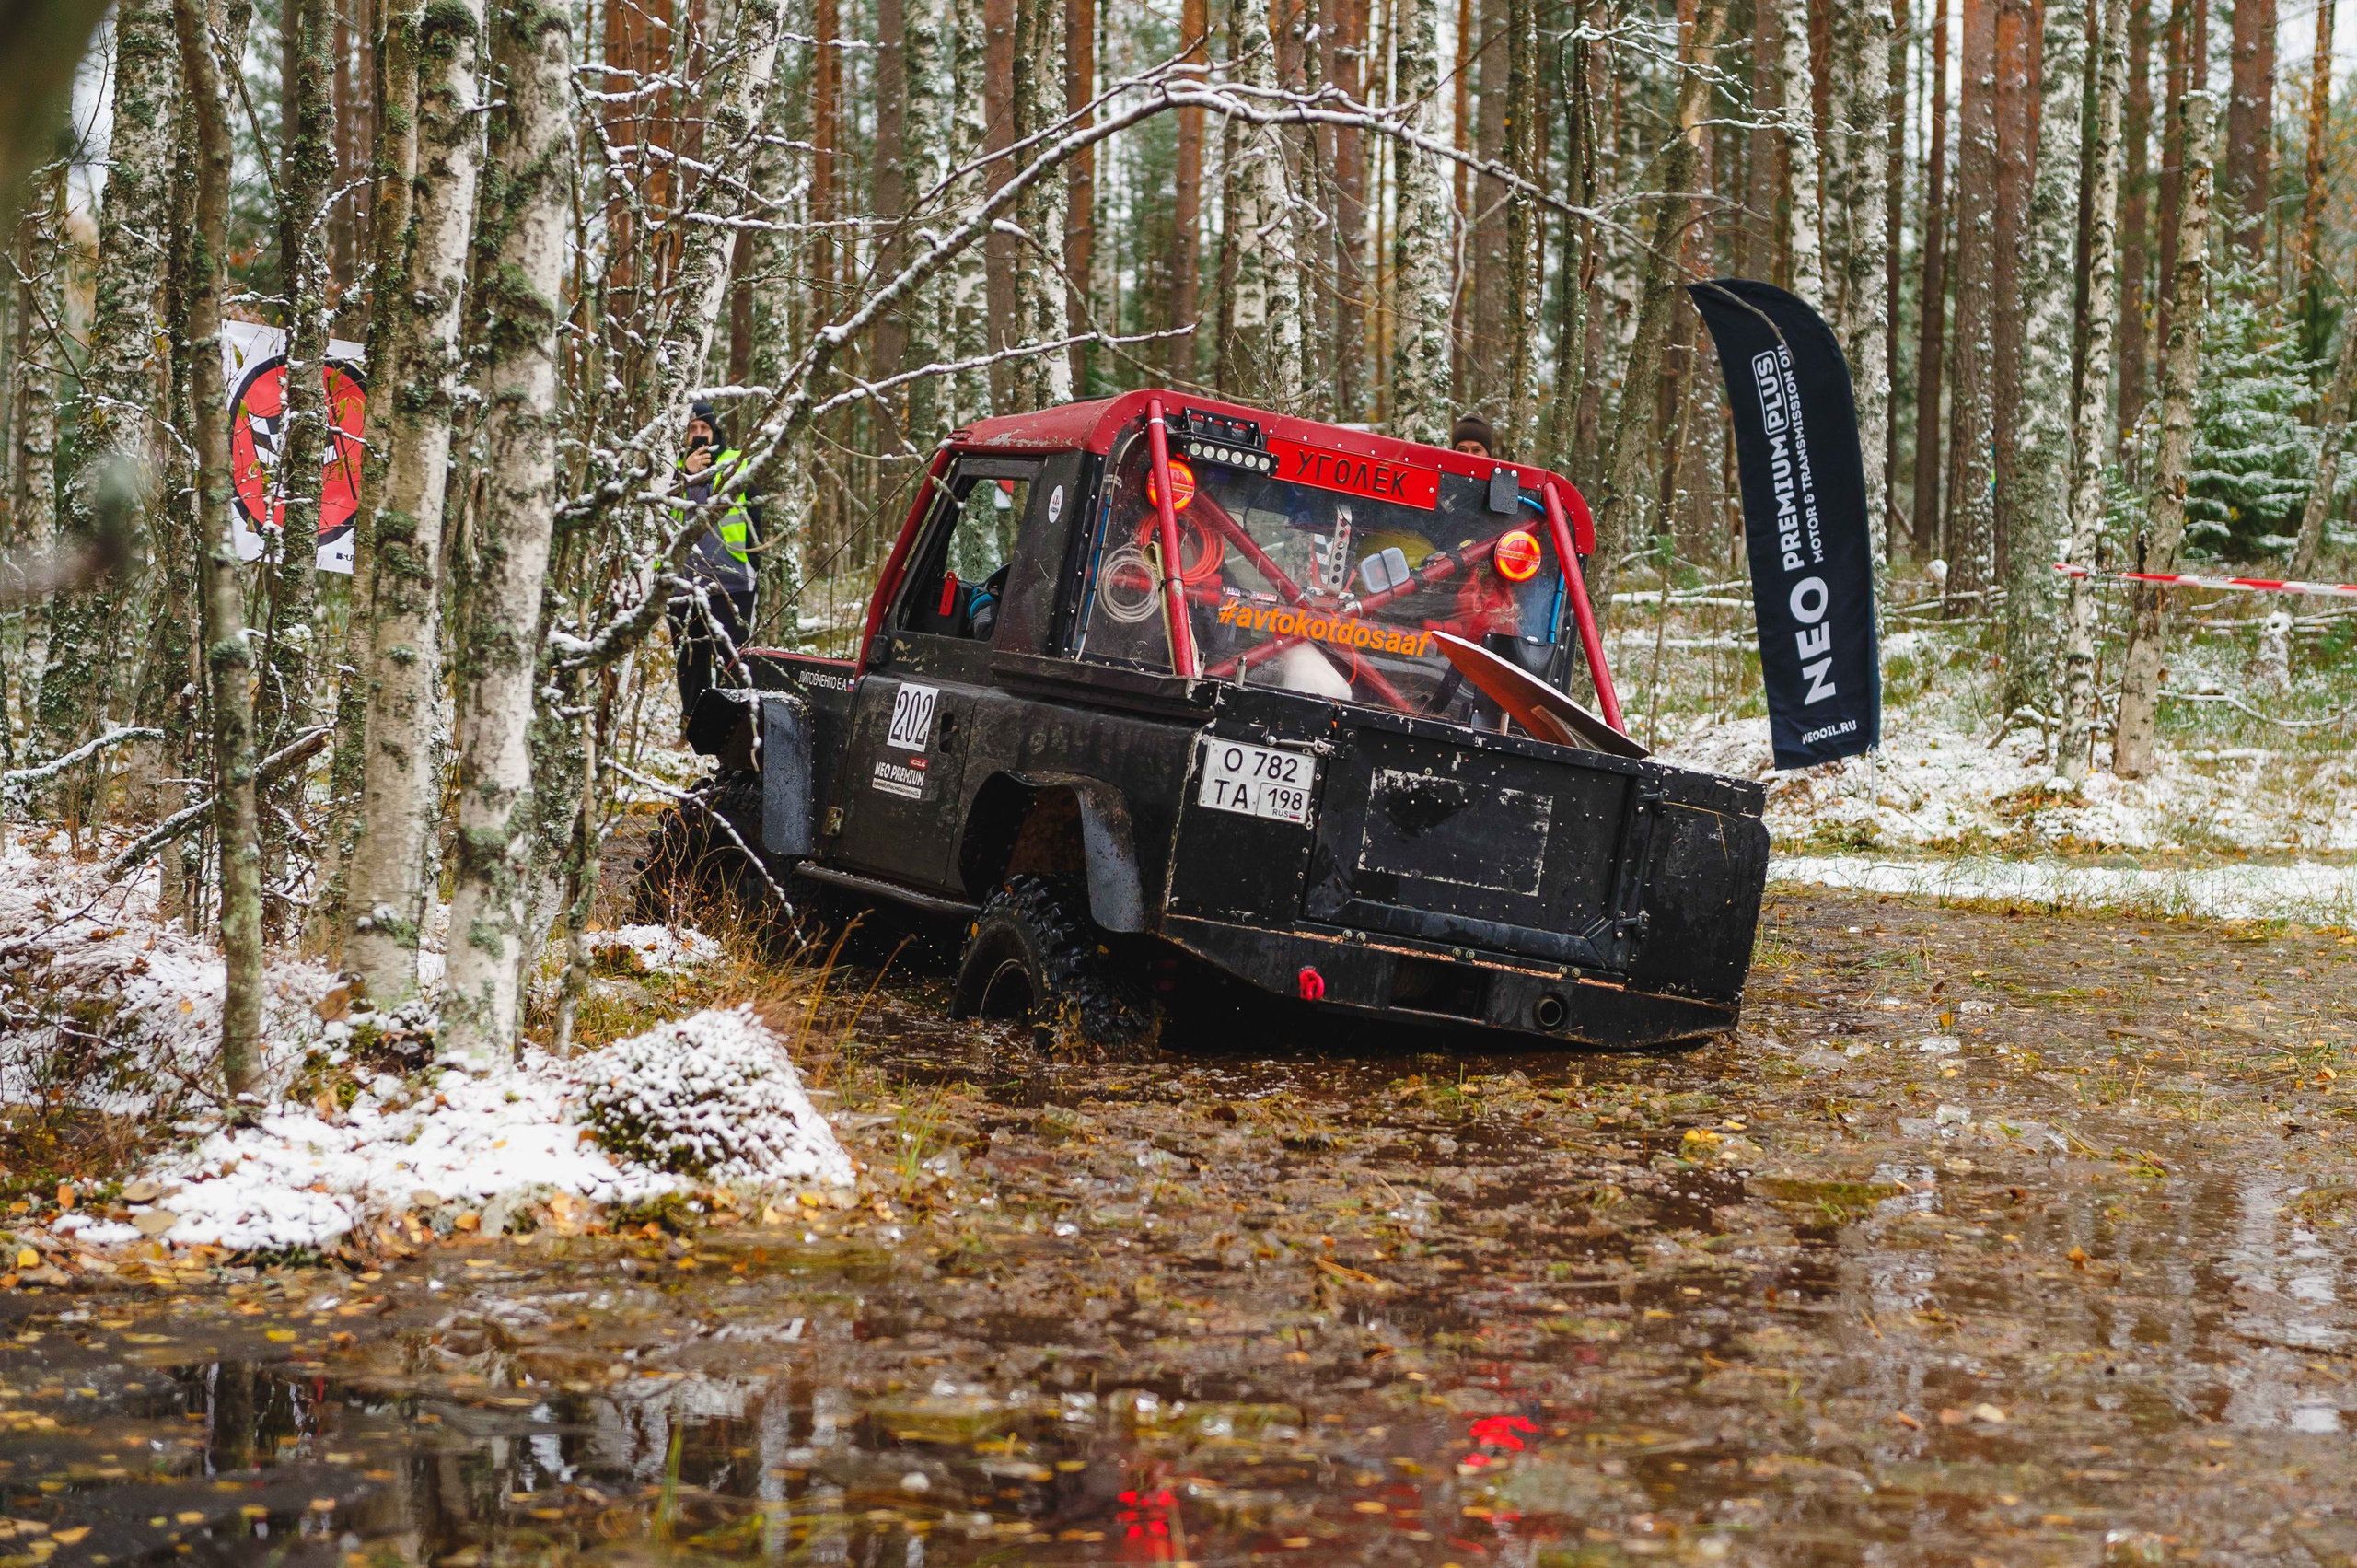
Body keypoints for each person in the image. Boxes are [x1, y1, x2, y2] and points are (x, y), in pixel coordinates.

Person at [667, 401, 763, 732]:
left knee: (732, 660)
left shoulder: (735, 462)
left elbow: (755, 516)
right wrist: (684, 474)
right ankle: (694, 726)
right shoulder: (669, 469)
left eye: (703, 429)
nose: (698, 436)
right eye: (692, 430)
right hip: (681, 584)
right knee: (689, 662)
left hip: (731, 580)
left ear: (715, 432)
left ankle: (734, 730)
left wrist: (755, 564)